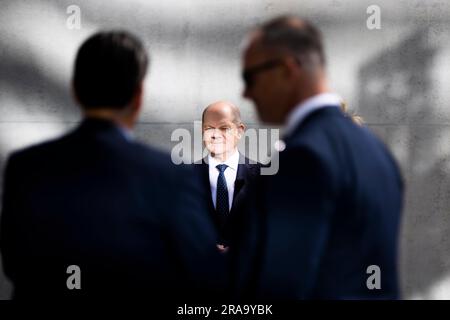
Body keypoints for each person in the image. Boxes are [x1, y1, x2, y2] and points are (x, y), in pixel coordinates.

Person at [0, 31, 224, 299]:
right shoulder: (172, 176)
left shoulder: (24, 167)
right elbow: (206, 270)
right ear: (139, 96)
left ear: (75, 90)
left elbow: (14, 264)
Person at [232, 15, 404, 299]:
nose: (246, 93)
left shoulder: (304, 157)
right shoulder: (377, 151)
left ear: (287, 69)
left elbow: (281, 285)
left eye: (250, 77)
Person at [196, 101, 261, 251]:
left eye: (224, 128)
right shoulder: (185, 177)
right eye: (209, 128)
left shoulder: (262, 177)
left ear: (239, 130)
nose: (215, 135)